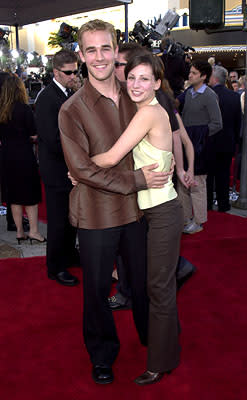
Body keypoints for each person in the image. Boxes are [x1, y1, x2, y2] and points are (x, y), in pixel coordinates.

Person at [59, 19, 171, 385]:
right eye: (91, 50)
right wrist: (137, 179)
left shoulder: (135, 93)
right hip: (95, 214)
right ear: (81, 56)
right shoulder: (71, 110)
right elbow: (82, 169)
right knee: (95, 291)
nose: (100, 57)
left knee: (141, 284)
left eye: (105, 48)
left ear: (115, 47)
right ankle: (102, 354)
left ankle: (150, 338)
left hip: (139, 210)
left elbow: (166, 127)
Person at [91, 52, 183, 385]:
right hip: (149, 210)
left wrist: (80, 169)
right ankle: (169, 345)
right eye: (131, 77)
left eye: (144, 78)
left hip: (162, 212)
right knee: (157, 284)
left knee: (157, 287)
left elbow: (114, 155)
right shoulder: (145, 110)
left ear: (158, 83)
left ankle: (160, 361)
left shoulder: (149, 113)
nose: (135, 84)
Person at [108, 43, 195, 311]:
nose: (123, 73)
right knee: (149, 265)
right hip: (141, 198)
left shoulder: (154, 105)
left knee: (157, 277)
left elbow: (177, 137)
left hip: (154, 199)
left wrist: (180, 169)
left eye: (126, 66)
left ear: (156, 82)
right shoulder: (130, 100)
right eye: (126, 71)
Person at [35, 49, 80, 287]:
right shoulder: (46, 98)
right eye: (69, 72)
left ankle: (70, 255)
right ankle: (56, 267)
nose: (74, 75)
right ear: (56, 72)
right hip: (57, 171)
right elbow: (52, 139)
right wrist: (79, 149)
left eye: (76, 71)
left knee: (71, 218)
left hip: (69, 169)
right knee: (58, 220)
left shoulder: (66, 93)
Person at [177, 60, 222, 234]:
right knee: (183, 184)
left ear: (203, 76)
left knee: (198, 185)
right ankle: (186, 219)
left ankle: (199, 221)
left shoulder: (209, 95)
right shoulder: (188, 93)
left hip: (201, 148)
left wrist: (199, 136)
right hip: (186, 146)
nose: (190, 75)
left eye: (194, 73)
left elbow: (217, 123)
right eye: (190, 72)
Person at [0, 74, 44, 244]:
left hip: (6, 156)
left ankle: (19, 231)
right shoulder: (24, 109)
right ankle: (33, 231)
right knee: (30, 195)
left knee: (14, 195)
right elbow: (34, 133)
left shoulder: (2, 110)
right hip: (24, 155)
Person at [208, 65, 242, 212]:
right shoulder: (234, 97)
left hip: (208, 142)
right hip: (227, 142)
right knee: (223, 175)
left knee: (208, 177)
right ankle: (223, 204)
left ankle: (207, 204)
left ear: (213, 78)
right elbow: (238, 122)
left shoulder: (205, 95)